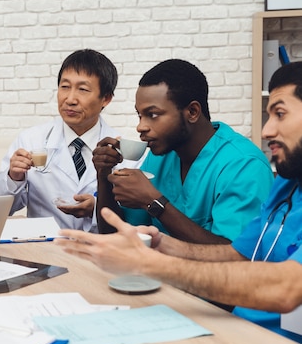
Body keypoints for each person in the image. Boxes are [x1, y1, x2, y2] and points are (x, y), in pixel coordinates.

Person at [56, 61, 302, 343]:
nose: (266, 131)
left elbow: (284, 288)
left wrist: (149, 254)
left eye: (280, 114)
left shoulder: (244, 164)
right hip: (220, 319)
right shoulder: (287, 182)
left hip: (248, 329)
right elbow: (239, 253)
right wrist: (162, 244)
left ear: (193, 112)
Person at [93, 59, 273, 243]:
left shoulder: (244, 165)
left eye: (152, 115)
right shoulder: (160, 156)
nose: (141, 127)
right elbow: (118, 236)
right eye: (140, 115)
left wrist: (154, 203)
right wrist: (103, 176)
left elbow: (235, 257)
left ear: (193, 112)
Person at [0, 49, 140, 232]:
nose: (70, 99)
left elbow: (134, 218)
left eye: (83, 89)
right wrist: (13, 177)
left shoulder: (125, 151)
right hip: (45, 250)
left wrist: (97, 208)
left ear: (105, 99)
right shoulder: (31, 140)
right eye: (65, 87)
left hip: (102, 252)